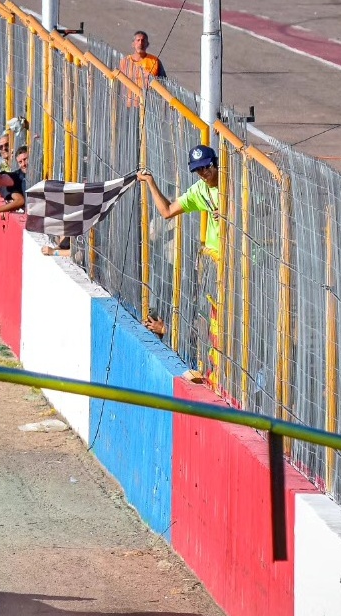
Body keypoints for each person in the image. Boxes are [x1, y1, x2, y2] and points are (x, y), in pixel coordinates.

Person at [137, 145, 224, 380]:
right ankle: (212, 373)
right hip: (214, 265)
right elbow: (167, 211)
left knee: (226, 325)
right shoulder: (200, 190)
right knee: (211, 321)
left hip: (236, 265)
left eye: (206, 167)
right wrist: (150, 182)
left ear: (216, 163)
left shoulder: (232, 186)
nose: (203, 173)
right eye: (198, 170)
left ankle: (220, 375)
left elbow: (259, 209)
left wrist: (232, 214)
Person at [119, 31, 165, 95]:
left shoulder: (155, 61)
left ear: (147, 44)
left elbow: (163, 83)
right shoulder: (124, 62)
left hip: (148, 99)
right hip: (128, 99)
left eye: (143, 41)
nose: (140, 43)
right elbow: (118, 82)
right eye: (138, 40)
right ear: (133, 44)